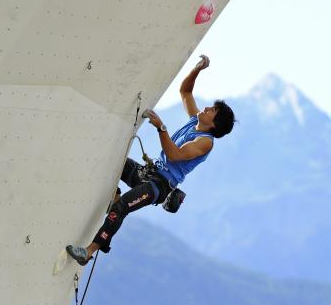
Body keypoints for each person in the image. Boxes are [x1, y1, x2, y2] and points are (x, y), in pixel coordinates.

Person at [66, 54, 235, 265]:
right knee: (112, 160)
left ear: (214, 124)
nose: (207, 108)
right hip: (150, 173)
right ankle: (115, 198)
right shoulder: (195, 122)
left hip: (159, 186)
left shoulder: (205, 142)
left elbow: (175, 155)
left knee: (122, 209)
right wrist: (197, 69)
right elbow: (185, 91)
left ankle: (89, 252)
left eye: (212, 111)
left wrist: (161, 127)